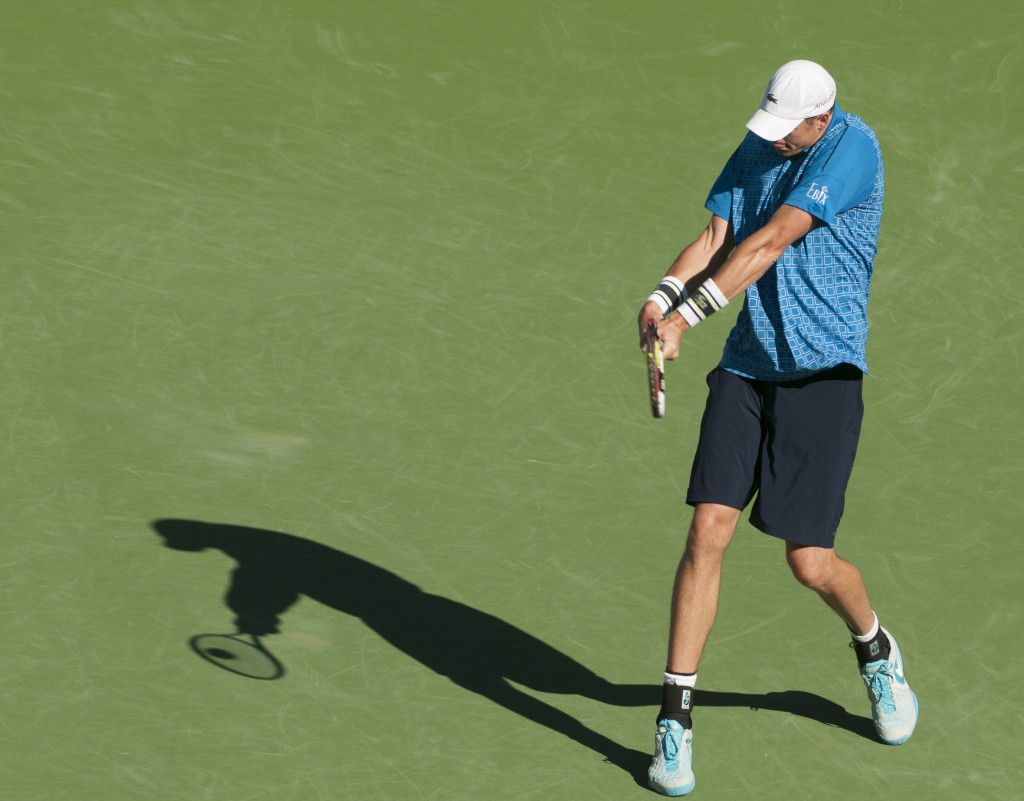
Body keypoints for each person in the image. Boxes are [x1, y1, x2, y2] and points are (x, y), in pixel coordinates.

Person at [636, 60, 918, 796]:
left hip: (822, 378)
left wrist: (688, 320)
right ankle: (675, 722)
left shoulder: (852, 151)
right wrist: (664, 296)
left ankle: (875, 646)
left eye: (787, 129)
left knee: (809, 561)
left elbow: (765, 246)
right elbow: (719, 235)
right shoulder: (765, 143)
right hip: (746, 370)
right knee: (708, 530)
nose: (774, 140)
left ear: (820, 119)